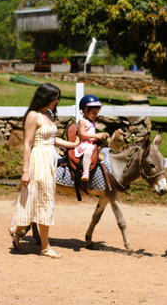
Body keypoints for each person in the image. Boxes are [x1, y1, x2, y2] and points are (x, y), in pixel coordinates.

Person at [9, 83, 79, 258]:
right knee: (37, 198)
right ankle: (45, 246)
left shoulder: (48, 115)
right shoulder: (33, 116)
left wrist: (73, 144)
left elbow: (52, 140)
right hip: (38, 160)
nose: (57, 101)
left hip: (49, 160)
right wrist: (25, 171)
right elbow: (27, 144)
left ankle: (17, 231)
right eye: (55, 97)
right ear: (45, 97)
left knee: (41, 198)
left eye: (57, 98)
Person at [74, 95, 109, 181]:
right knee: (88, 152)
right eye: (93, 112)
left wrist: (102, 135)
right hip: (84, 144)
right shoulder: (82, 121)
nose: (95, 115)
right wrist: (95, 135)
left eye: (97, 113)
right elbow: (82, 134)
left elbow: (92, 134)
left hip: (91, 143)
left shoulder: (92, 121)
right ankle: (86, 172)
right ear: (85, 110)